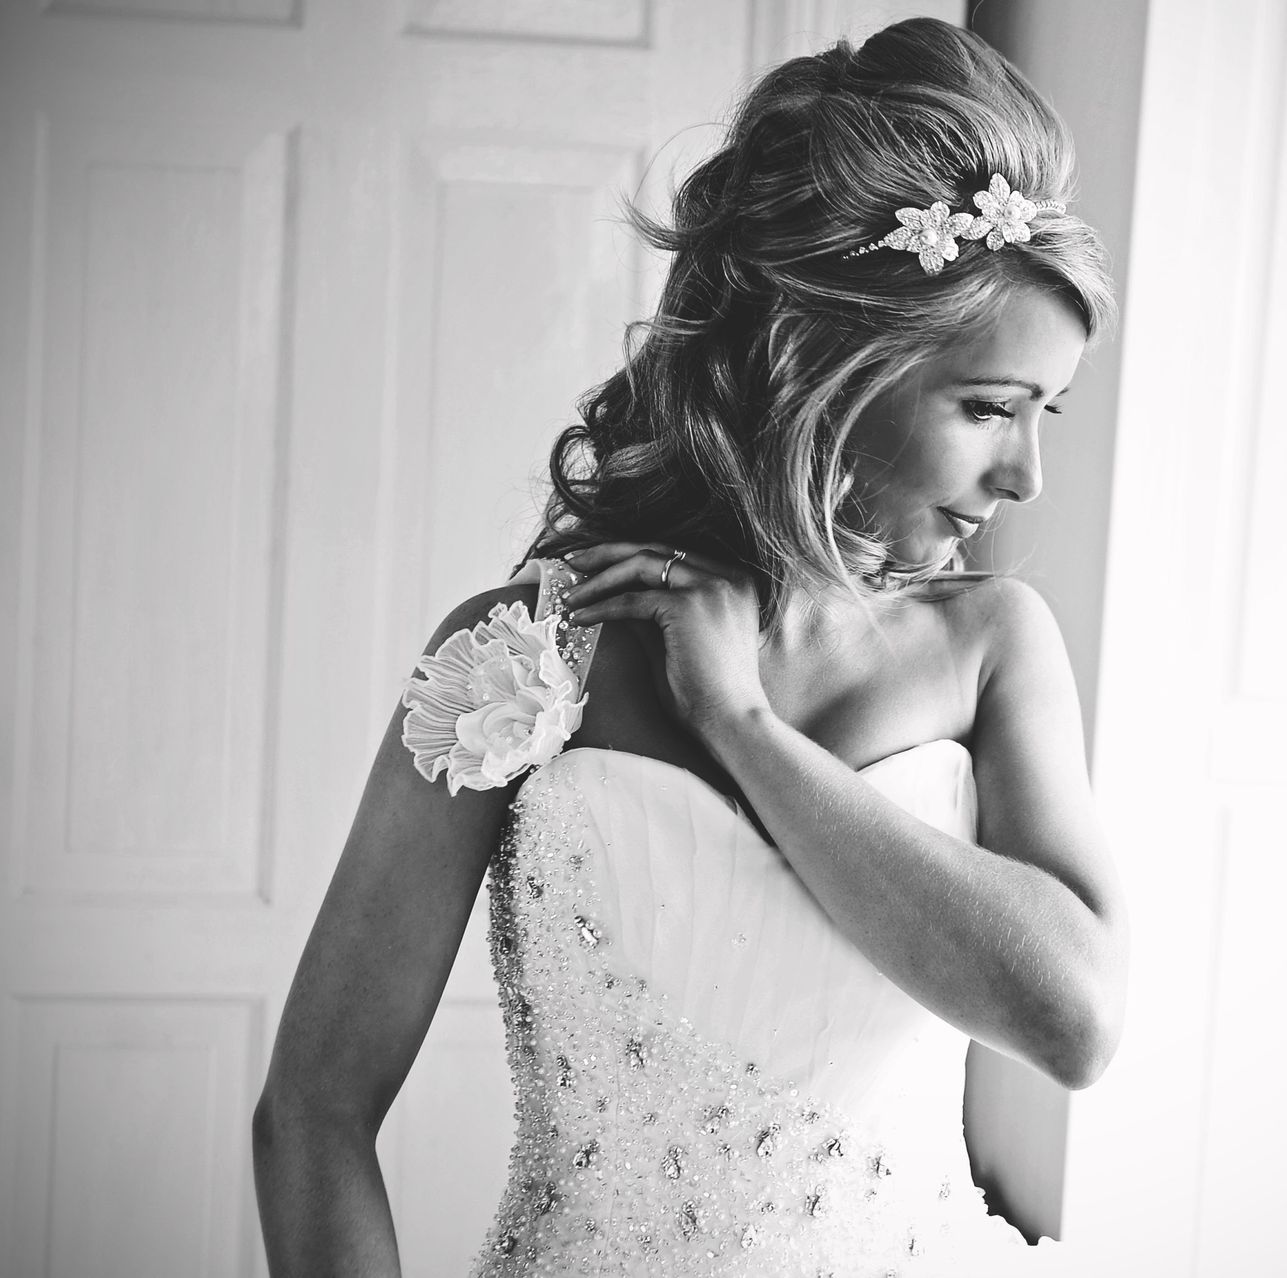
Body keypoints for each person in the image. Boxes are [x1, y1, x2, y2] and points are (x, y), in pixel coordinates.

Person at [252, 17, 1128, 1275]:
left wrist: (742, 724)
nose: (1028, 474)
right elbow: (312, 1113)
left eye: (1046, 412)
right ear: (826, 361)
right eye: (990, 407)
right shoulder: (523, 655)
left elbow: (1076, 1025)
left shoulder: (993, 647)